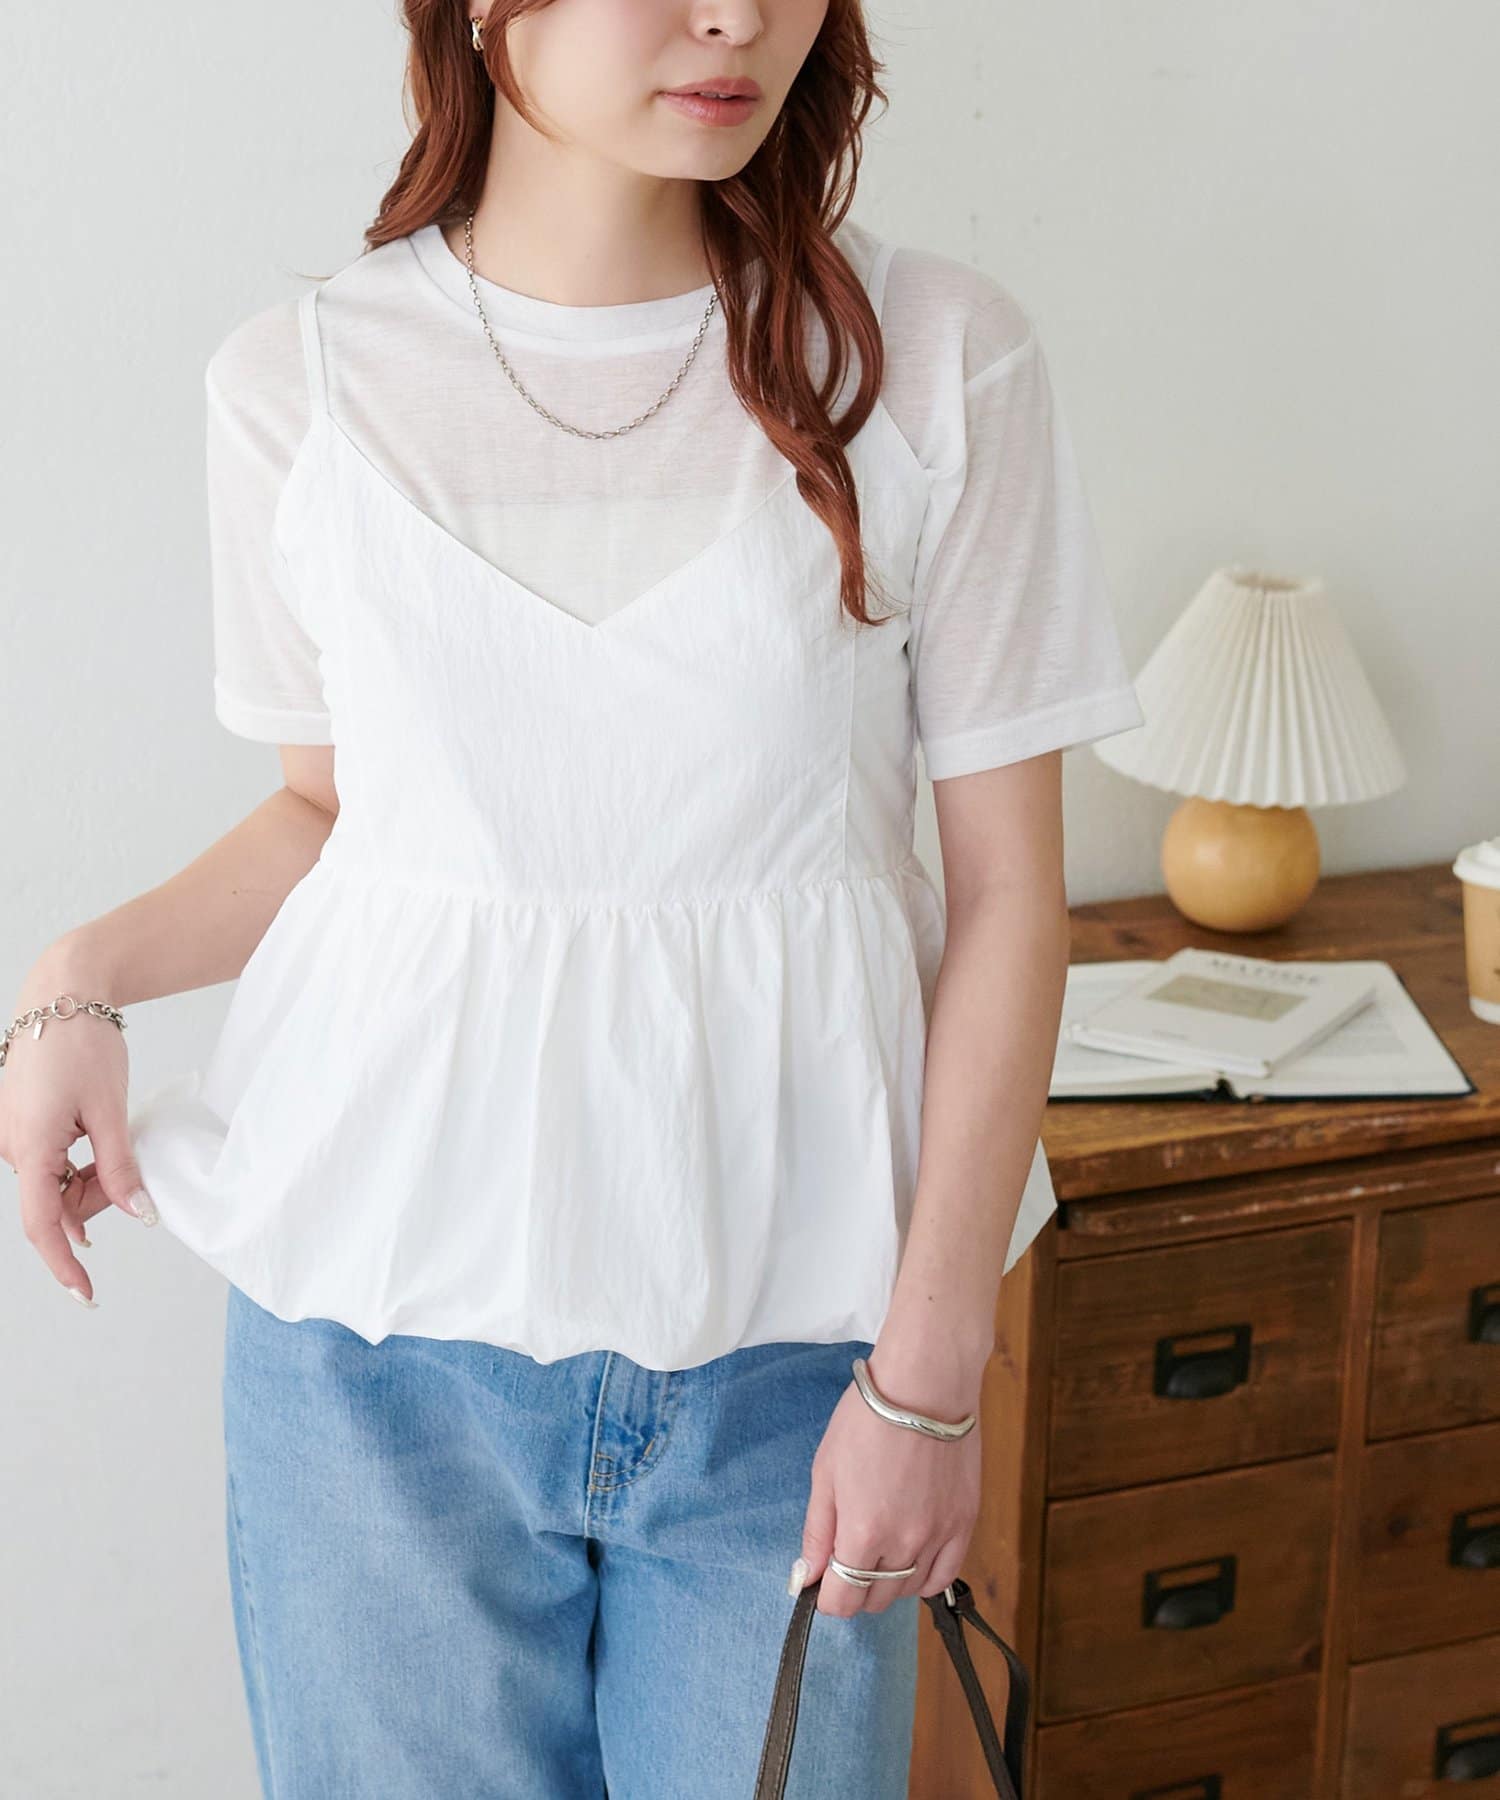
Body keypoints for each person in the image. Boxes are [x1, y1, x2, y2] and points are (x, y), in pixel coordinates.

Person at [0, 1, 1145, 1794]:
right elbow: (338, 817)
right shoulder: (298, 383)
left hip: (797, 1368)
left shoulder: (931, 359)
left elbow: (1010, 897)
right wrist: (82, 975)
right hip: (373, 1358)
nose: (735, 17)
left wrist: (931, 1380)